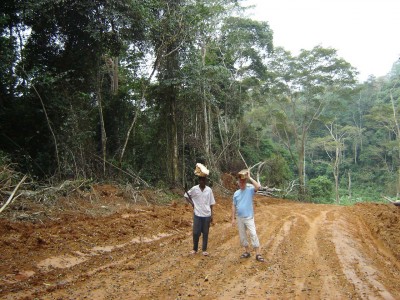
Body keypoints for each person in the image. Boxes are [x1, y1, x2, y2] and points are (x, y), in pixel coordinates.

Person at [231, 169, 265, 262]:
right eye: (240, 182)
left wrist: (249, 177)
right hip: (239, 218)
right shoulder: (236, 193)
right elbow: (233, 206)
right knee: (243, 236)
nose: (241, 183)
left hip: (249, 217)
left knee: (253, 234)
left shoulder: (249, 190)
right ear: (238, 183)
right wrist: (233, 218)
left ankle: (258, 254)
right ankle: (247, 252)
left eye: (243, 181)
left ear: (245, 182)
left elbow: (258, 186)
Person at [184, 163, 216, 256]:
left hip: (207, 215)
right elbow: (186, 195)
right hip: (197, 214)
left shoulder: (209, 190)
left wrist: (212, 215)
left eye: (204, 180)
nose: (202, 181)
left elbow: (211, 203)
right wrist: (192, 203)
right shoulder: (194, 189)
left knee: (205, 232)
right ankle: (194, 249)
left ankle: (204, 250)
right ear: (199, 180)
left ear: (206, 181)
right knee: (196, 232)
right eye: (201, 180)